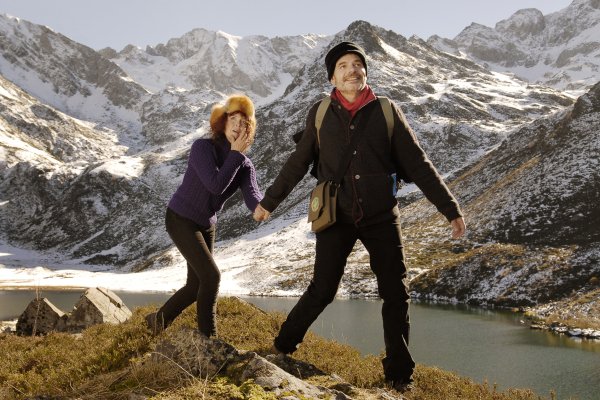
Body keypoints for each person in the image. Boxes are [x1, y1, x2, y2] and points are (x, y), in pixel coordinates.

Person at [253, 41, 466, 392]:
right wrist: (269, 202)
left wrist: (450, 209)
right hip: (336, 215)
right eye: (344, 66)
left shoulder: (386, 111)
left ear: (365, 71)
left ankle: (399, 377)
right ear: (333, 77)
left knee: (396, 292)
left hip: (381, 215)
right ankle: (282, 346)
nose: (352, 70)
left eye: (357, 64)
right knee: (322, 289)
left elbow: (418, 163)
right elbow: (297, 164)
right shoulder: (320, 113)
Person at [146, 94, 263, 338]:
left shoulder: (244, 164)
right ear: (223, 122)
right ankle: (209, 340)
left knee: (195, 284)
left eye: (244, 123)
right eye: (234, 119)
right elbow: (214, 185)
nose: (238, 126)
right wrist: (236, 155)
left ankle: (156, 322)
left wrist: (261, 208)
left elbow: (252, 193)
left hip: (206, 224)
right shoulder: (203, 148)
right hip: (181, 217)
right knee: (211, 277)